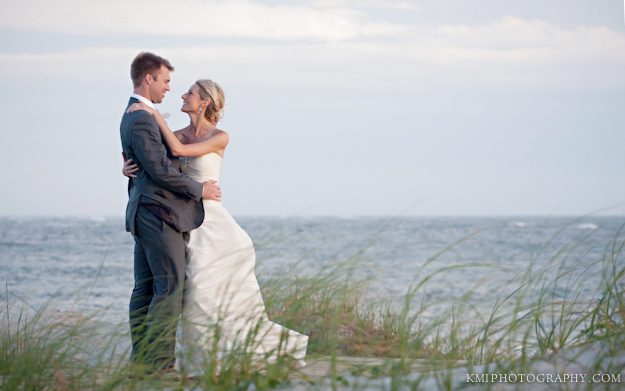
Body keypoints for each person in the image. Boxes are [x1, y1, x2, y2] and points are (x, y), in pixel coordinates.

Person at [123, 78, 308, 376]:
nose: (182, 96)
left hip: (210, 219)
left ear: (205, 102)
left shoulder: (220, 136)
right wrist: (127, 168)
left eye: (190, 93)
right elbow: (157, 165)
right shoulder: (177, 134)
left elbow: (180, 152)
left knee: (209, 288)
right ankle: (188, 358)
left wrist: (155, 115)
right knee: (192, 291)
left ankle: (224, 353)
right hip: (180, 218)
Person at [119, 52, 222, 372]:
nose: (170, 89)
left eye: (182, 89)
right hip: (160, 213)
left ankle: (144, 362)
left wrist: (129, 167)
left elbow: (158, 161)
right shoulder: (141, 117)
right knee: (168, 288)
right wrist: (199, 189)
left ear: (204, 102)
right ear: (148, 78)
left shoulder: (142, 115)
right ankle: (159, 365)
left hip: (158, 212)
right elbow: (163, 169)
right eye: (165, 81)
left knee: (149, 288)